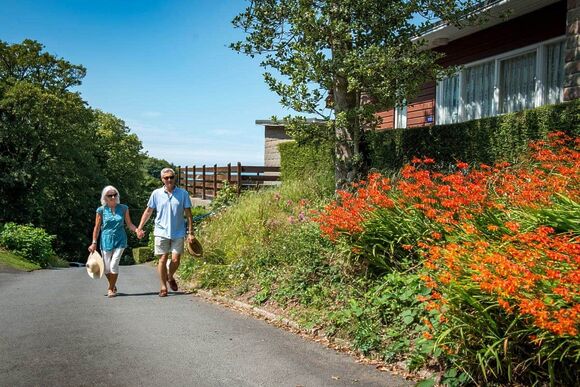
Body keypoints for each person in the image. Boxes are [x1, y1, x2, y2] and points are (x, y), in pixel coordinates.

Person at [136, 168, 193, 297]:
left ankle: (170, 276)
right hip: (161, 231)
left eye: (171, 177)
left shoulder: (183, 194)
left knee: (176, 259)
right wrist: (139, 227)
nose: (169, 180)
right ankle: (163, 286)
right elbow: (148, 211)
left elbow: (189, 214)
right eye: (166, 178)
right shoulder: (156, 194)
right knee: (162, 259)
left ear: (175, 178)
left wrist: (190, 232)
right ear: (162, 179)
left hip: (178, 232)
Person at [88, 185, 138, 298]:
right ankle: (113, 284)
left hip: (120, 238)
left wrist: (137, 230)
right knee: (106, 268)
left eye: (115, 195)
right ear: (105, 197)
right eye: (110, 195)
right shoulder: (101, 210)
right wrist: (94, 242)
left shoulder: (124, 208)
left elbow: (129, 224)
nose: (113, 197)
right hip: (106, 239)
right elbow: (96, 227)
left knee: (114, 263)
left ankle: (110, 289)